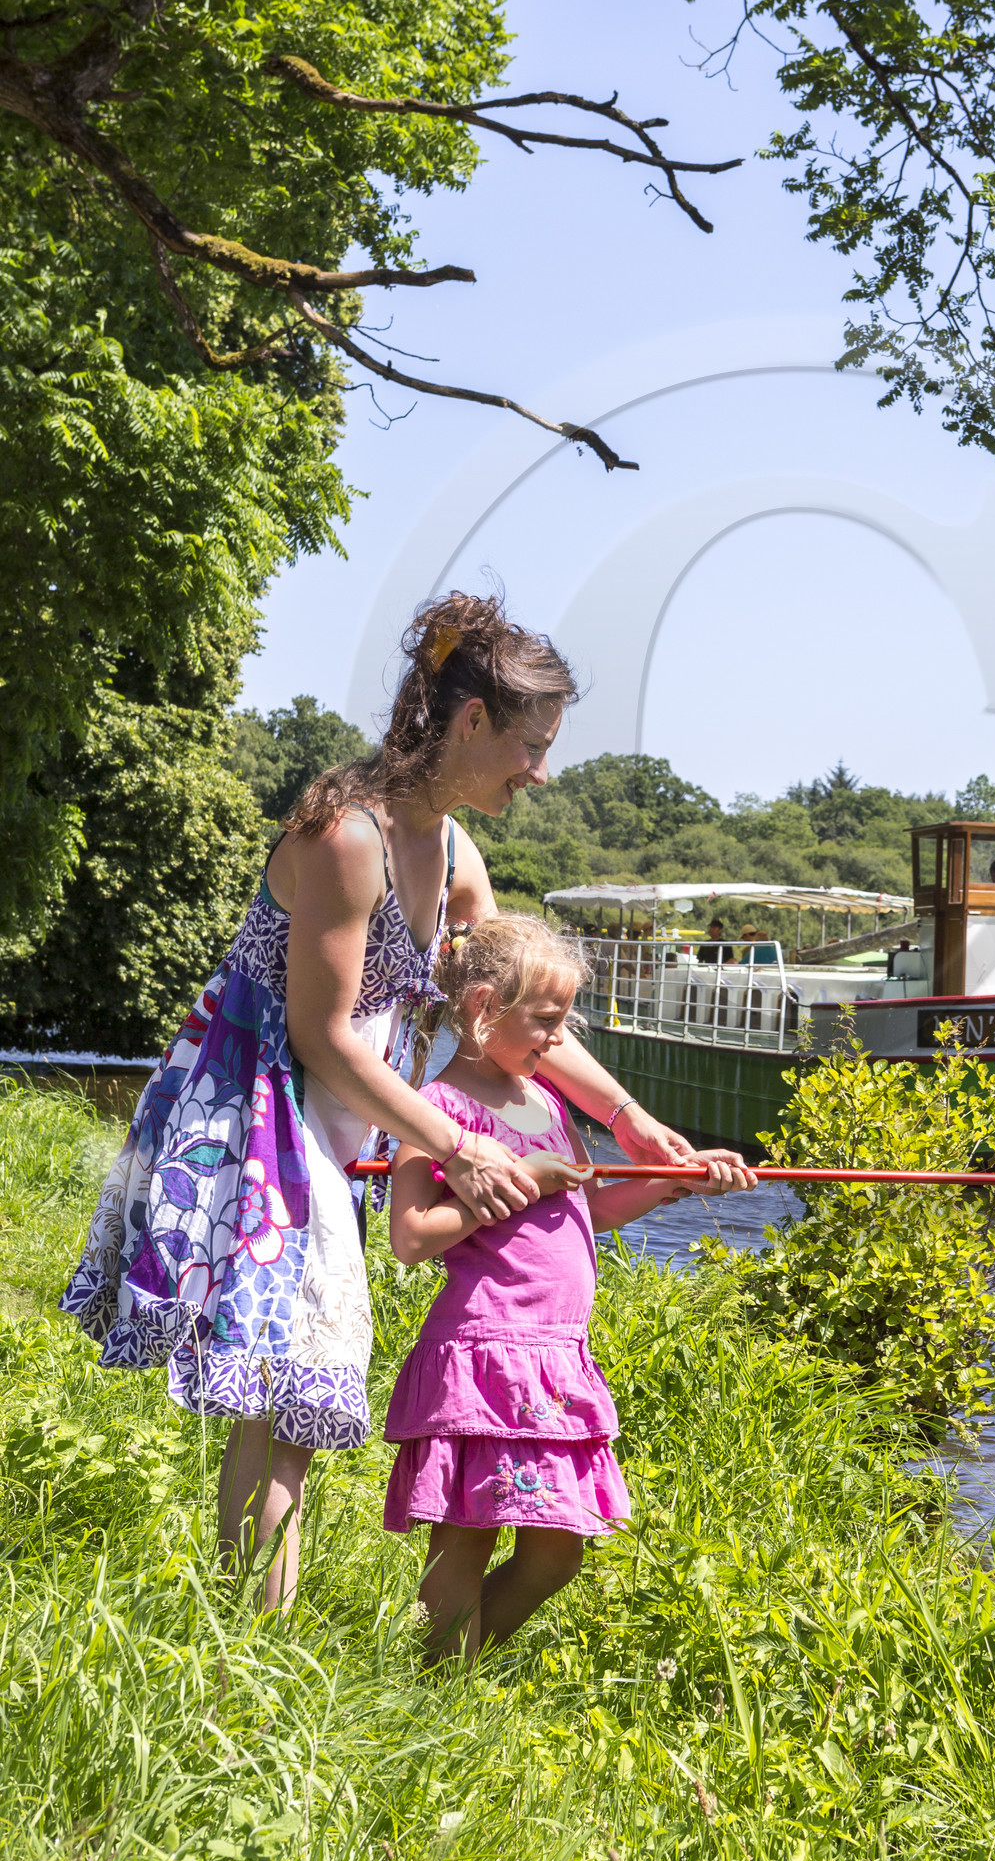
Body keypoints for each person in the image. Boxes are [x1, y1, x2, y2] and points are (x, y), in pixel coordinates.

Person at [59, 590, 743, 1608]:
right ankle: (248, 1657)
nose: (540, 772)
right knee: (292, 1391)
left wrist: (628, 1119)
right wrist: (456, 1148)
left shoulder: (459, 855)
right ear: (473, 721)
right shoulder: (346, 837)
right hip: (261, 1112)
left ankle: (250, 1649)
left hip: (344, 1113)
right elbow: (318, 1034)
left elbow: (515, 1013)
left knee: (295, 1398)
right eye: (533, 745)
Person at [384, 914, 747, 1662]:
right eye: (546, 1022)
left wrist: (675, 1183)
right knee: (467, 1539)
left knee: (557, 1553)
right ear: (484, 1009)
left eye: (563, 1023)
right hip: (483, 1350)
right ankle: (440, 1691)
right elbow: (411, 1237)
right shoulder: (439, 1111)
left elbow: (592, 1206)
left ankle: (443, 1667)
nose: (558, 1041)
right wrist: (527, 1186)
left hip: (554, 1356)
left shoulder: (545, 1101)